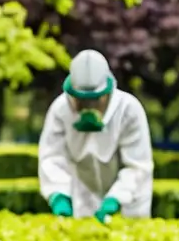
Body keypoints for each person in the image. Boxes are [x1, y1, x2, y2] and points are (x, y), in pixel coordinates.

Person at [38, 49, 154, 223]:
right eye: (82, 100)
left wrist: (116, 198)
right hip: (83, 196)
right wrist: (58, 194)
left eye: (94, 100)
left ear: (107, 93)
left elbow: (137, 165)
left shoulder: (128, 110)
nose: (88, 107)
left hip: (130, 203)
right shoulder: (61, 110)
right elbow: (51, 156)